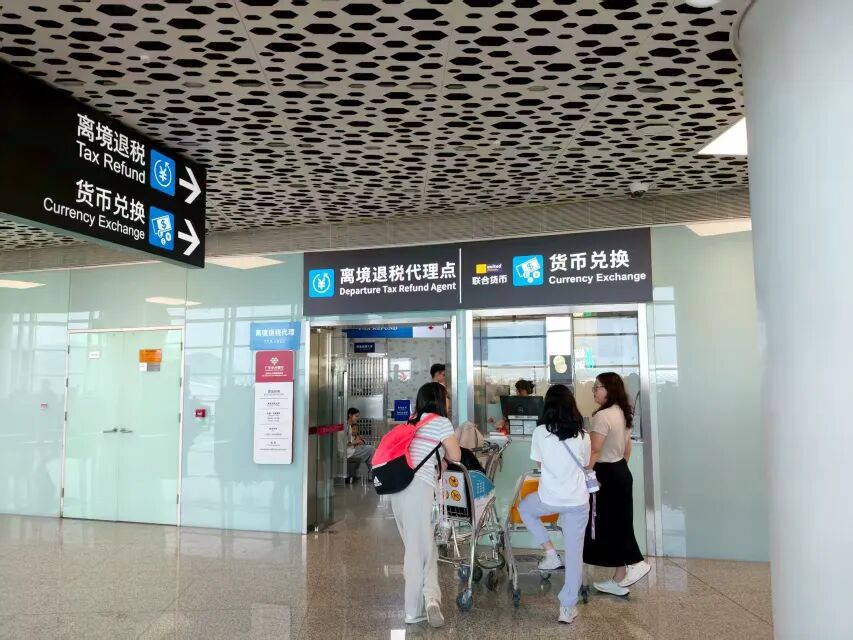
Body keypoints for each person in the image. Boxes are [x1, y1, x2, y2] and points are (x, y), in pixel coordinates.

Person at [517, 384, 591, 625]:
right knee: (574, 553)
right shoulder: (583, 435)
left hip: (549, 499)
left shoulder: (540, 433)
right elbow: (585, 464)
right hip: (577, 501)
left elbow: (539, 465)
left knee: (525, 508)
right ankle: (567, 608)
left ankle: (550, 553)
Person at [390, 382, 461, 628]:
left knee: (421, 547)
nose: (448, 400)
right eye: (446, 396)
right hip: (418, 489)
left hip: (398, 489)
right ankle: (413, 610)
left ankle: (431, 599)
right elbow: (456, 455)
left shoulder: (412, 421)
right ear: (439, 399)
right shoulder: (441, 422)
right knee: (418, 551)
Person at [583, 372, 650, 596]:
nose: (594, 391)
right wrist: (619, 469)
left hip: (606, 473)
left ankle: (636, 562)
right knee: (620, 521)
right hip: (620, 470)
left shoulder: (602, 416)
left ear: (610, 389)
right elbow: (627, 447)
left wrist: (586, 474)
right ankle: (619, 578)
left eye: (597, 387)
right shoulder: (622, 412)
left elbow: (594, 450)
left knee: (611, 524)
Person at [345, 408, 375, 484]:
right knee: (371, 449)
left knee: (368, 449)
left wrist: (358, 441)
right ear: (350, 415)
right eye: (356, 416)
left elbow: (350, 441)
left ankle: (369, 472)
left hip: (350, 449)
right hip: (348, 452)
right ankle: (371, 473)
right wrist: (357, 441)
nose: (357, 418)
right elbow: (346, 443)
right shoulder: (346, 426)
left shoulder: (348, 426)